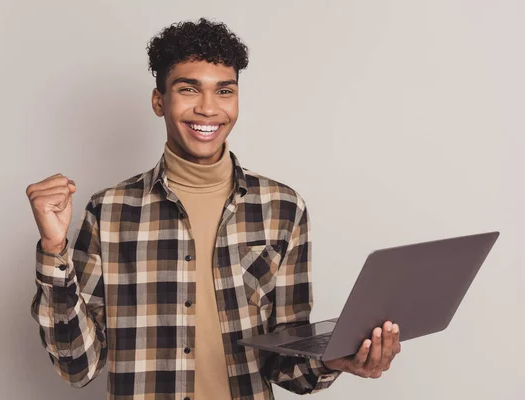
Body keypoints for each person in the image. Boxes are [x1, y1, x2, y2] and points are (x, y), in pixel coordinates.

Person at [26, 17, 401, 400]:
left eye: (224, 91)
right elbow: (77, 365)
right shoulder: (108, 212)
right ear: (159, 101)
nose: (208, 109)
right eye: (189, 89)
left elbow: (287, 365)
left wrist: (336, 360)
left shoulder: (283, 209)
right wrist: (54, 251)